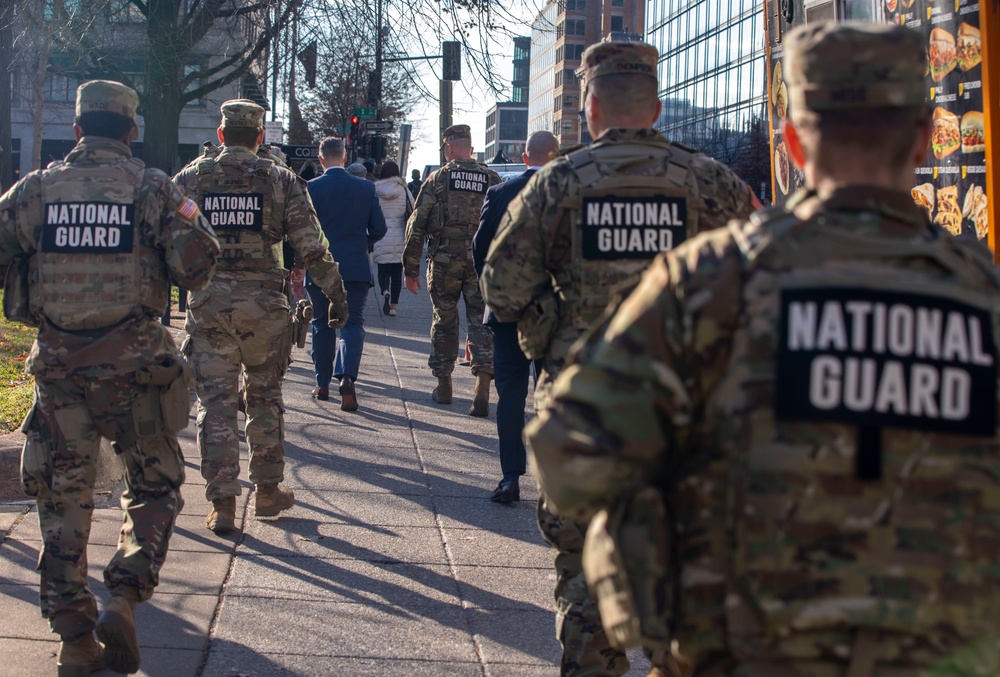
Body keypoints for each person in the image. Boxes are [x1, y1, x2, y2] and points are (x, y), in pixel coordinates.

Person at [528, 22, 1000, 676]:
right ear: (923, 138)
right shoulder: (986, 299)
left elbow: (567, 451)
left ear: (795, 142)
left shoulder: (712, 282)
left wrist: (656, 594)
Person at [482, 41, 758, 677]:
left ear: (591, 106)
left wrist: (558, 345)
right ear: (656, 108)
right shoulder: (711, 183)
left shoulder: (557, 184)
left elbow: (503, 288)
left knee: (585, 582)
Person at [0, 80, 220, 675]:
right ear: (130, 132)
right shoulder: (151, 189)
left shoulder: (36, 191)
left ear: (76, 129)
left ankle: (74, 636)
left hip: (60, 372)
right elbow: (198, 264)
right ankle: (123, 594)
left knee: (61, 497)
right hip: (135, 372)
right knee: (154, 486)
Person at [173, 100, 349, 535]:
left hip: (210, 307)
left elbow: (164, 237)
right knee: (264, 397)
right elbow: (310, 245)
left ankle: (222, 504)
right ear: (259, 137)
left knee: (215, 405)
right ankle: (268, 491)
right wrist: (336, 294)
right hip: (265, 310)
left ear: (220, 135)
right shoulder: (281, 180)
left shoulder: (192, 178)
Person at [472, 130, 559, 502]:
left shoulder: (501, 193)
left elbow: (479, 246)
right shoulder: (570, 195)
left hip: (508, 309)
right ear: (556, 158)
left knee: (510, 393)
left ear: (525, 158)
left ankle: (510, 478)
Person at [403, 124, 500, 416]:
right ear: (470, 149)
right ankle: (482, 383)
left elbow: (417, 222)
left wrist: (409, 267)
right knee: (481, 320)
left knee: (444, 319)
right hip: (481, 260)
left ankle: (444, 385)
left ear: (448, 149)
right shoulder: (491, 178)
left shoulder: (439, 177)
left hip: (445, 258)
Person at [306, 137, 387, 410]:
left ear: (320, 159)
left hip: (320, 266)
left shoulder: (311, 188)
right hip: (354, 266)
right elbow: (379, 228)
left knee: (321, 322)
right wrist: (361, 244)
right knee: (352, 323)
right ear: (344, 157)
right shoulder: (365, 188)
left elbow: (300, 230)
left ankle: (322, 382)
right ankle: (348, 377)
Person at [373, 160, 413, 317]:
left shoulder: (375, 189)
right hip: (400, 234)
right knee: (397, 273)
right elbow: (414, 208)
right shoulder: (403, 190)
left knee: (383, 270)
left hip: (381, 233)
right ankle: (394, 307)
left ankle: (384, 291)